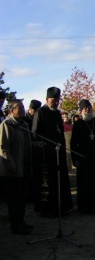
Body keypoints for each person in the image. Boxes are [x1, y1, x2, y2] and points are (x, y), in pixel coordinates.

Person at [31, 86, 73, 217]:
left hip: (59, 152)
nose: (55, 102)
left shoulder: (56, 113)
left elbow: (59, 132)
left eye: (57, 100)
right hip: (46, 155)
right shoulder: (41, 112)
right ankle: (48, 209)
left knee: (60, 180)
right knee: (49, 182)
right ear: (46, 99)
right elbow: (35, 133)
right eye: (53, 100)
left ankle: (62, 206)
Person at [70, 99, 95, 214]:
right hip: (84, 159)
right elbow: (73, 143)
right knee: (85, 184)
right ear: (81, 111)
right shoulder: (78, 124)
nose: (87, 110)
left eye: (89, 108)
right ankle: (85, 207)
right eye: (85, 108)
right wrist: (75, 159)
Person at [0, 99, 33, 234]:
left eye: (23, 107)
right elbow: (3, 147)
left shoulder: (24, 124)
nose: (23, 109)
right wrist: (10, 164)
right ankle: (16, 225)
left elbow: (25, 144)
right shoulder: (6, 125)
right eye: (19, 107)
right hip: (13, 169)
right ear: (11, 110)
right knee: (14, 199)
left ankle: (22, 221)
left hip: (24, 166)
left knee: (22, 197)